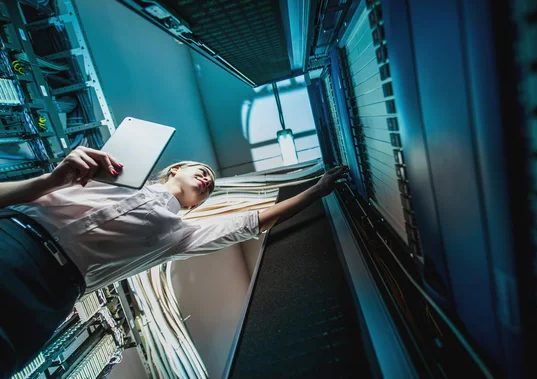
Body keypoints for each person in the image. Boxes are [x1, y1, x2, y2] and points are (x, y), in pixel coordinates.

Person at [0, 146, 347, 377]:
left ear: (196, 206)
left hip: (50, 296)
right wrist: (50, 180)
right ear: (176, 169)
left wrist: (316, 191)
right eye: (203, 171)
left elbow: (251, 224)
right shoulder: (111, 172)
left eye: (210, 185)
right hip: (13, 239)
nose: (208, 179)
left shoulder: (180, 234)